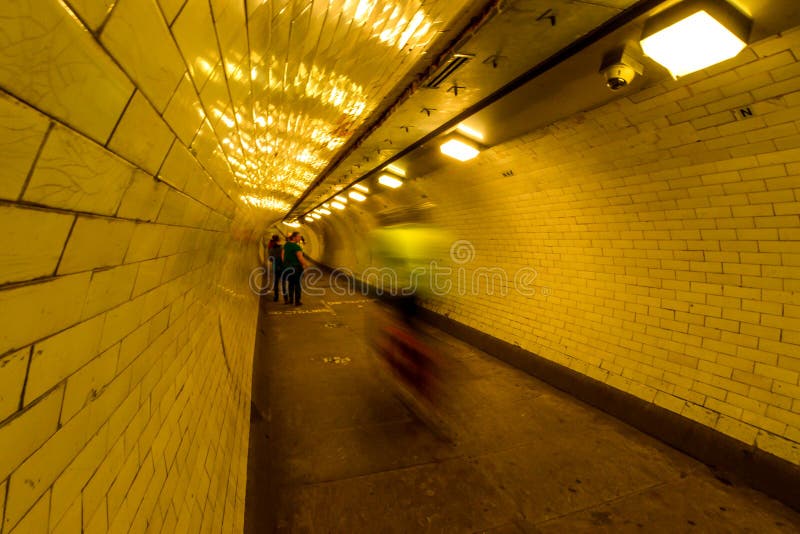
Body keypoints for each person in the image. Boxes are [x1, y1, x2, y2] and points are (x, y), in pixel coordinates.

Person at [282, 232, 309, 306]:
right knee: (297, 284)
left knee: (290, 284)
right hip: (296, 268)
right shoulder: (296, 247)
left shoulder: (286, 245)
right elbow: (300, 257)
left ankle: (291, 300)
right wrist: (306, 265)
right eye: (298, 237)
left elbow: (283, 256)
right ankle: (297, 301)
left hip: (287, 268)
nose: (300, 238)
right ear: (294, 237)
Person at [267, 235, 286, 302]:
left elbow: (270, 259)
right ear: (279, 240)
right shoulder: (282, 248)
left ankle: (276, 297)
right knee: (283, 282)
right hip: (282, 267)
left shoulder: (271, 249)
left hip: (275, 267)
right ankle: (285, 298)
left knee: (276, 282)